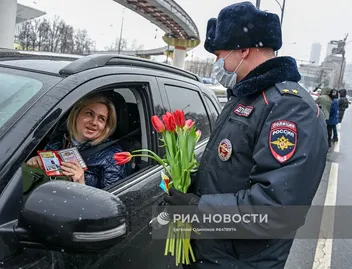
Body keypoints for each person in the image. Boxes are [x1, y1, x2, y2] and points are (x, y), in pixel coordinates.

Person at [162, 2, 328, 269]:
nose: (218, 63)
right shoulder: (247, 97)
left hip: (238, 261)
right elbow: (233, 170)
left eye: (220, 55)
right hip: (212, 252)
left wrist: (198, 209)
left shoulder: (288, 107)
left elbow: (277, 210)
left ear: (243, 50)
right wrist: (189, 184)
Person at [27, 93, 130, 189]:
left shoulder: (113, 156)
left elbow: (110, 203)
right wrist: (33, 168)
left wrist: (81, 184)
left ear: (106, 126)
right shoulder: (56, 142)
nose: (94, 122)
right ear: (76, 114)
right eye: (89, 113)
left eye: (101, 119)